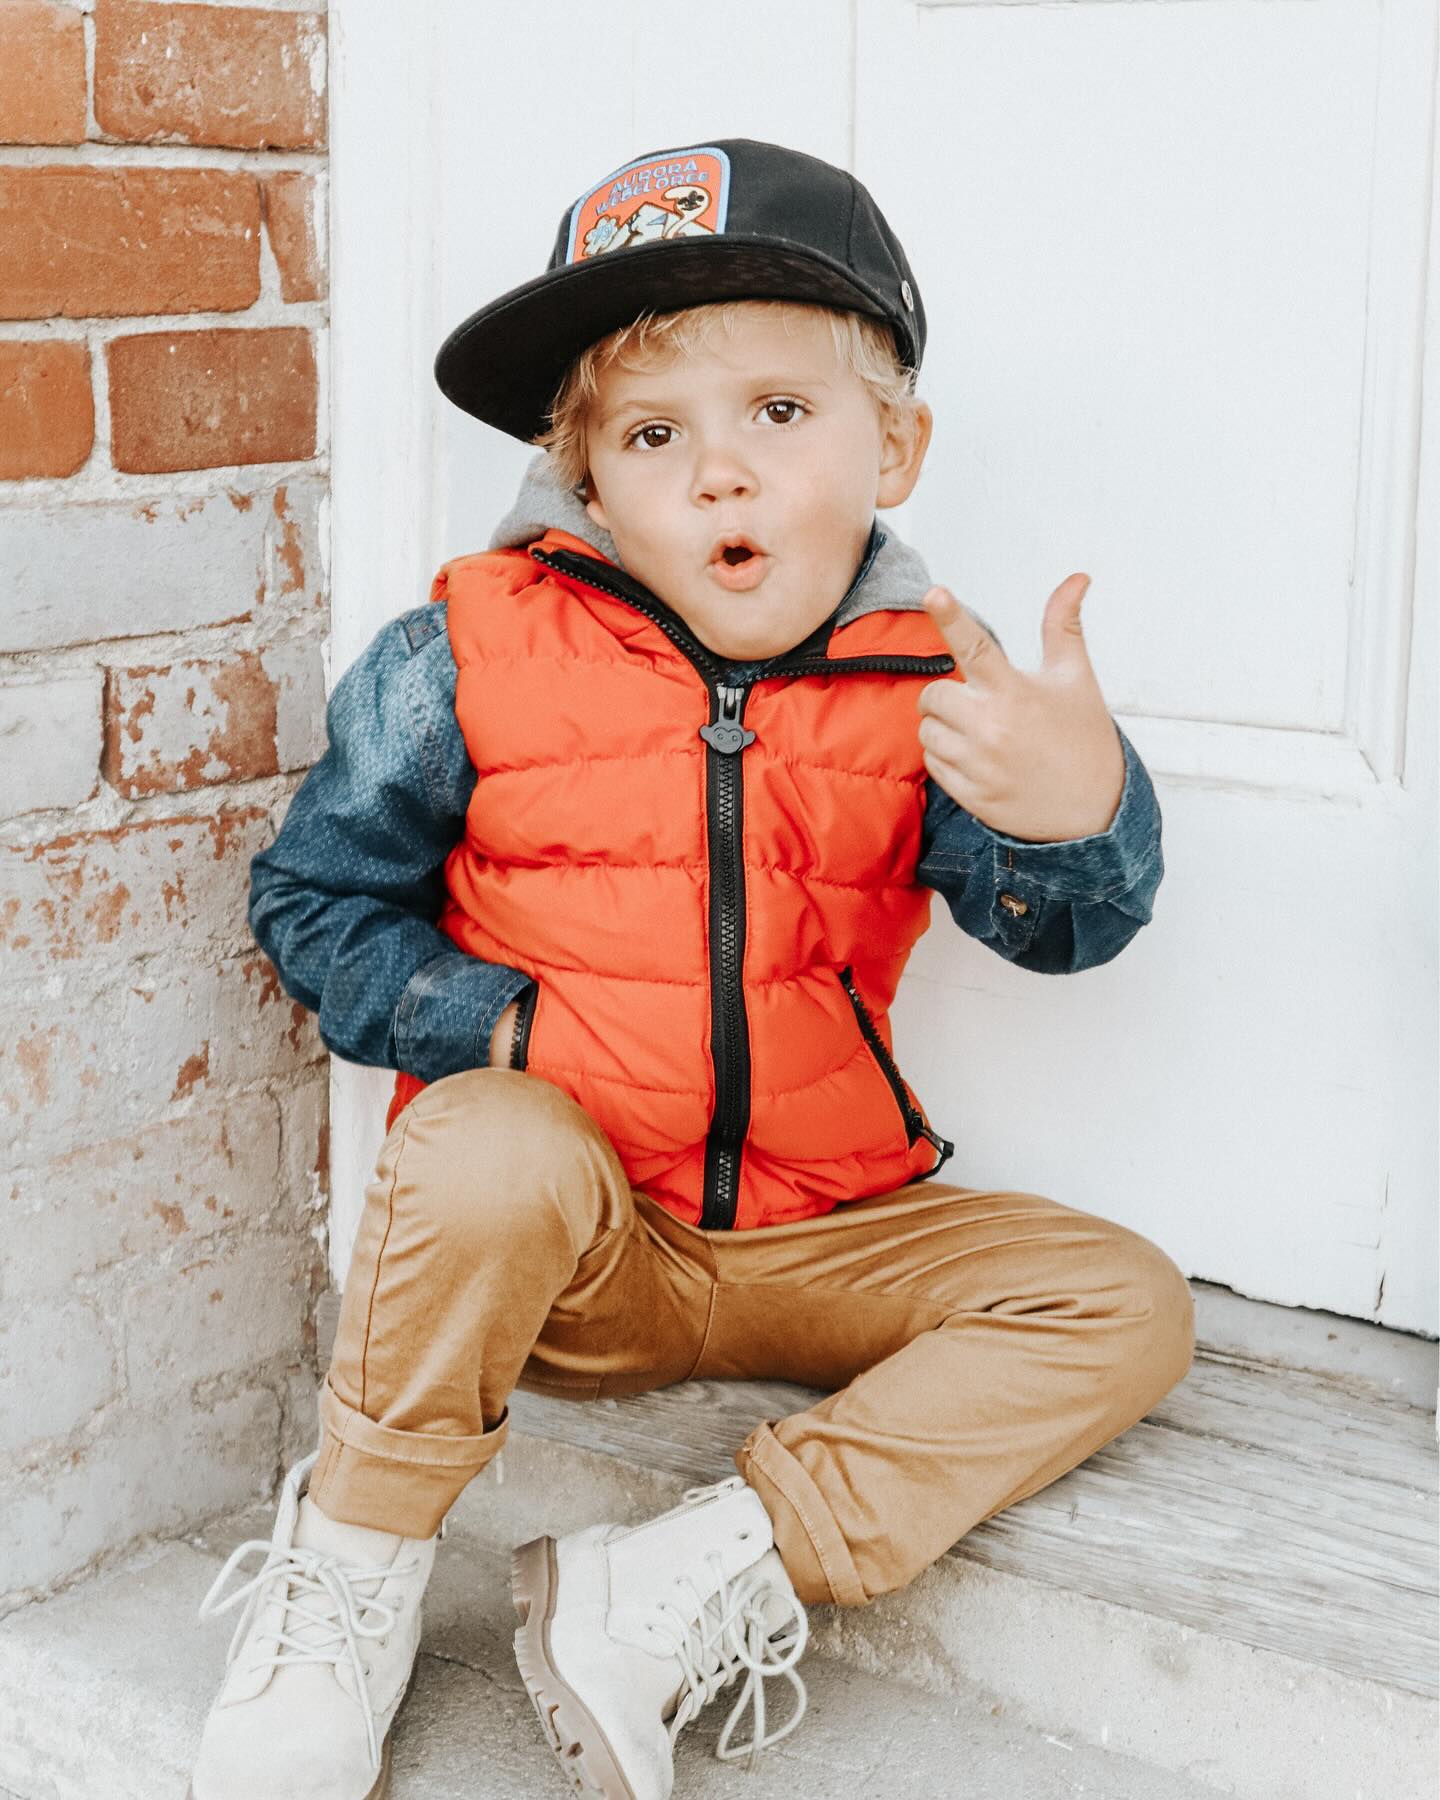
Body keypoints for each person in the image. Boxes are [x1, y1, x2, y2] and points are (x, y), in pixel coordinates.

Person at [185, 138, 1195, 1800]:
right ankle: (350, 1577)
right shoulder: (468, 647)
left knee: (1121, 1302)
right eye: (658, 436)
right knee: (479, 1134)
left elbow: (1059, 929)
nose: (721, 477)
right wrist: (501, 1024)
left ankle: (678, 1587)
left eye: (780, 415)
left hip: (830, 1233)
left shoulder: (935, 682)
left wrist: (1078, 811)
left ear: (899, 446)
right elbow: (314, 899)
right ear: (588, 484)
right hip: (587, 1252)